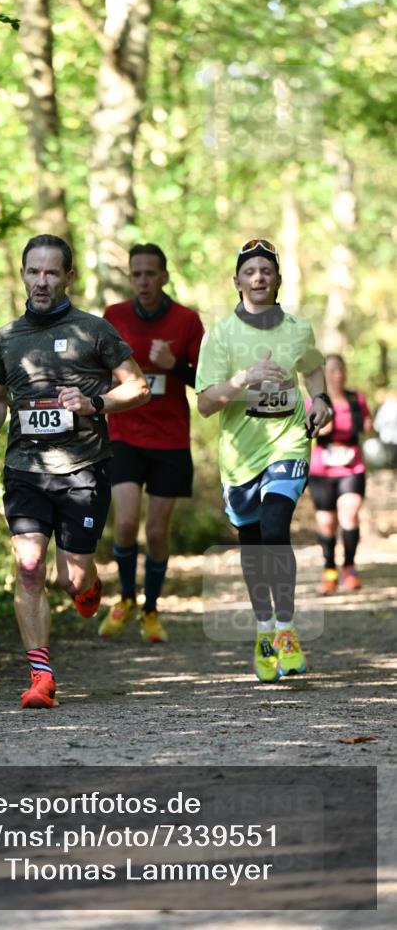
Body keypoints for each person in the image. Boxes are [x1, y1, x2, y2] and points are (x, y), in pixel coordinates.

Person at [0, 234, 150, 709]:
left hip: (83, 470)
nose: (41, 281)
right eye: (34, 271)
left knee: (73, 578)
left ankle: (88, 586)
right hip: (25, 469)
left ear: (68, 277)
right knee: (29, 567)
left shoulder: (94, 331)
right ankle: (41, 676)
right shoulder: (9, 337)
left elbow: (138, 387)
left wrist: (95, 403)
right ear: (24, 274)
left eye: (52, 272)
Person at [195, 238, 332, 682]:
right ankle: (264, 633)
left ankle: (288, 630)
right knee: (252, 546)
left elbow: (312, 368)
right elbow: (206, 404)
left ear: (277, 280)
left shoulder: (297, 328)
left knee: (276, 527)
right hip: (239, 456)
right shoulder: (219, 334)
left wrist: (321, 400)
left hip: (288, 443)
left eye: (266, 271)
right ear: (237, 281)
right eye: (250, 271)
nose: (258, 278)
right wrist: (243, 379)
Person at [97, 243, 204, 643]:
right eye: (136, 274)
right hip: (124, 433)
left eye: (150, 274)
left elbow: (205, 382)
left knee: (157, 533)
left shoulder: (187, 321)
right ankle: (125, 598)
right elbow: (98, 369)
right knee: (125, 523)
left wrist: (173, 363)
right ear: (130, 277)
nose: (143, 281)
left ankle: (152, 609)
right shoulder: (114, 317)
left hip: (171, 439)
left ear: (164, 277)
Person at [307, 355, 373, 593]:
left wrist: (370, 427)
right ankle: (329, 570)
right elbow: (309, 431)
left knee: (350, 512)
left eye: (341, 370)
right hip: (322, 470)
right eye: (333, 370)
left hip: (352, 467)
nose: (338, 375)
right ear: (324, 375)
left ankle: (349, 569)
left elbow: (368, 425)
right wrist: (322, 425)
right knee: (327, 523)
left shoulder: (357, 399)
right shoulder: (315, 402)